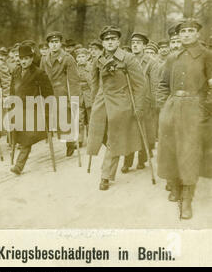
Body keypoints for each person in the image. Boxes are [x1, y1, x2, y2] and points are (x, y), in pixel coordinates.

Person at [157, 19, 212, 219]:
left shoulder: (207, 56)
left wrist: (205, 108)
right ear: (178, 35)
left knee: (189, 151)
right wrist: (164, 105)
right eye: (183, 31)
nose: (187, 34)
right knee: (170, 148)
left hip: (194, 109)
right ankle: (175, 186)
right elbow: (163, 85)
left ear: (198, 34)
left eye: (191, 31)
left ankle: (187, 198)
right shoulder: (172, 57)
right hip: (172, 107)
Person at [86, 26, 145, 190]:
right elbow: (94, 83)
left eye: (113, 39)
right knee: (99, 135)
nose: (110, 42)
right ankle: (118, 151)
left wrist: (138, 107)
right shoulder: (98, 60)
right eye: (106, 40)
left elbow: (140, 85)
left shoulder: (128, 58)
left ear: (118, 41)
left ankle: (105, 175)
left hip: (120, 103)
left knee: (113, 138)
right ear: (103, 43)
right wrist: (93, 103)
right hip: (101, 102)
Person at [9, 44, 53, 175]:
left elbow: (48, 94)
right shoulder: (16, 71)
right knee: (17, 136)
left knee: (27, 138)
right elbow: (12, 89)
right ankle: (18, 162)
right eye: (22, 58)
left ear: (32, 58)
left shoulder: (39, 73)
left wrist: (46, 112)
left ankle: (19, 165)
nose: (24, 61)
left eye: (27, 58)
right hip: (17, 109)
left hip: (33, 110)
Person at [121, 32, 157, 173]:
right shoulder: (126, 60)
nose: (135, 45)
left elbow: (154, 84)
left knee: (144, 131)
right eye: (133, 43)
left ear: (144, 45)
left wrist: (154, 103)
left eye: (138, 43)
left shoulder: (150, 62)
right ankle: (127, 162)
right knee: (129, 131)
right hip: (129, 100)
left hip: (145, 101)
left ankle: (142, 159)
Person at [40, 31, 80, 157]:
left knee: (65, 119)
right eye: (51, 42)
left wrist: (74, 98)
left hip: (62, 92)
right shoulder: (44, 58)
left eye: (56, 42)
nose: (54, 45)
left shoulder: (68, 58)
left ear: (60, 44)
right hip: (48, 93)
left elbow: (74, 80)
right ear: (48, 44)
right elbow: (41, 75)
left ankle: (70, 142)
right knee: (51, 119)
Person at [75, 47, 92, 147]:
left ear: (87, 57)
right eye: (79, 57)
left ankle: (91, 138)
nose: (81, 59)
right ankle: (79, 139)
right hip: (79, 95)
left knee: (90, 118)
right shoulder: (74, 68)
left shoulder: (90, 68)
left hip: (89, 95)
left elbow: (92, 83)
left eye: (83, 56)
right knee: (79, 118)